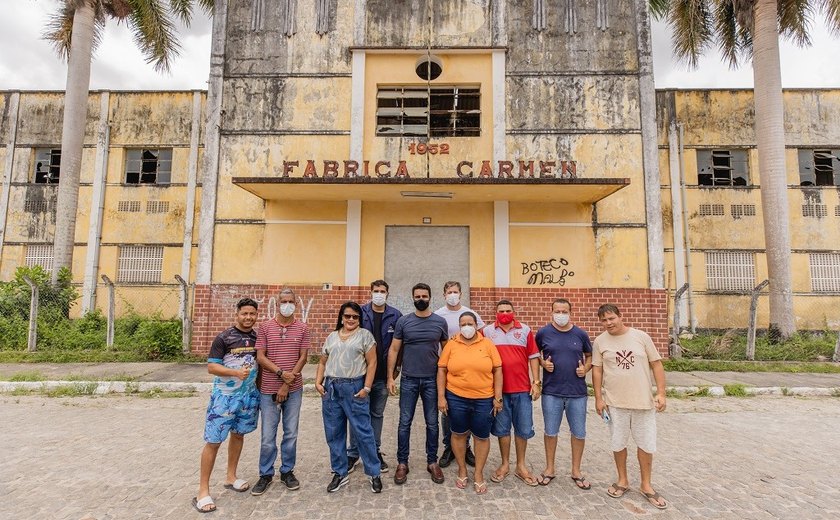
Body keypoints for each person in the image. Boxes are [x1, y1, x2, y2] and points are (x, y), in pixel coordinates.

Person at [592, 303, 668, 510]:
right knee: (618, 443)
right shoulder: (600, 341)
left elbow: (656, 364)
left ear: (620, 316)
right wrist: (599, 398)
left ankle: (646, 484)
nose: (608, 323)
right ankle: (622, 480)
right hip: (615, 403)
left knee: (645, 443)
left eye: (611, 318)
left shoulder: (641, 337)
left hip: (643, 402)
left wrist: (661, 393)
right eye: (604, 321)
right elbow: (597, 371)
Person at [193, 298, 261, 514]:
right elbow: (211, 367)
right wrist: (234, 373)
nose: (248, 317)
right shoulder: (224, 337)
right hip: (224, 398)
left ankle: (231, 476)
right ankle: (202, 491)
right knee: (213, 441)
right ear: (237, 314)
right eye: (245, 313)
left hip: (248, 397)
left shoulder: (257, 337)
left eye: (252, 314)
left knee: (239, 435)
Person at [315, 302, 383, 493]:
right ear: (341, 317)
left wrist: (367, 388)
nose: (351, 319)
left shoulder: (365, 336)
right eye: (347, 316)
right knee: (334, 433)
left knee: (363, 431)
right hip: (331, 388)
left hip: (355, 388)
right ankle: (340, 472)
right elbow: (322, 361)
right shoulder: (331, 337)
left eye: (355, 316)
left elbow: (372, 363)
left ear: (359, 319)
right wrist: (318, 382)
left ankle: (374, 472)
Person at [386, 283, 450, 485]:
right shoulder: (404, 322)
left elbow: (447, 352)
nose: (421, 299)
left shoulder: (440, 322)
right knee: (405, 422)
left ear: (430, 298)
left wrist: (447, 379)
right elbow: (394, 350)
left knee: (432, 422)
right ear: (412, 298)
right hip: (408, 379)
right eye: (417, 296)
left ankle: (432, 461)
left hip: (432, 379)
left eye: (424, 296)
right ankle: (402, 463)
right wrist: (390, 377)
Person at [251, 288, 310, 496]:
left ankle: (287, 471)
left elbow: (303, 357)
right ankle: (265, 474)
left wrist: (287, 381)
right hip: (268, 389)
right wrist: (280, 373)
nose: (287, 305)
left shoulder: (302, 328)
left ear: (296, 304)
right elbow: (260, 356)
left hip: (293, 389)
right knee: (268, 435)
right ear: (277, 304)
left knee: (291, 433)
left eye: (291, 301)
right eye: (283, 301)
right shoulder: (265, 327)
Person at [437, 312, 503, 495]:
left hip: (483, 399)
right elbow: (442, 370)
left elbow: (498, 370)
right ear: (459, 326)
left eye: (470, 323)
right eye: (463, 323)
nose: (467, 327)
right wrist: (441, 397)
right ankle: (462, 469)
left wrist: (498, 398)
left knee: (481, 436)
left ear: (476, 325)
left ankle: (479, 473)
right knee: (458, 434)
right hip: (456, 397)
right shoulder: (452, 344)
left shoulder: (487, 344)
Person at [534, 298, 593, 489]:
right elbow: (535, 356)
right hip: (552, 391)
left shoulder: (580, 334)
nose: (561, 315)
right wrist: (543, 364)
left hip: (577, 392)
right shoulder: (543, 333)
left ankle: (576, 470)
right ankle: (549, 468)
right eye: (557, 311)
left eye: (564, 311)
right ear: (551, 312)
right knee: (551, 431)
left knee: (578, 432)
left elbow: (589, 356)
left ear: (570, 312)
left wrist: (586, 368)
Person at [484, 299, 542, 486]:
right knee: (502, 430)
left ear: (514, 312)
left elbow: (533, 357)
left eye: (508, 310)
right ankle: (504, 464)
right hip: (498, 391)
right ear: (496, 312)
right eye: (501, 310)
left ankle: (521, 466)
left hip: (522, 389)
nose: (505, 313)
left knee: (523, 429)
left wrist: (536, 382)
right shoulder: (487, 331)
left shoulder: (524, 330)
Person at [346, 280, 402, 474]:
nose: (379, 294)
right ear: (371, 292)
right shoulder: (360, 312)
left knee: (376, 415)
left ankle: (374, 450)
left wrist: (394, 372)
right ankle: (353, 453)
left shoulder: (396, 315)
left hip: (383, 376)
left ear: (388, 293)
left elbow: (399, 347)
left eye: (383, 291)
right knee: (357, 415)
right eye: (376, 291)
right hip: (359, 375)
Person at [434, 281, 484, 468]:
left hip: (469, 369)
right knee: (447, 409)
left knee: (468, 405)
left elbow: (481, 338)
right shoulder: (439, 315)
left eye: (455, 292)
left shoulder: (471, 314)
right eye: (449, 292)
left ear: (461, 294)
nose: (452, 295)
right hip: (446, 368)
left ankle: (466, 446)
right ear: (444, 294)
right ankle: (449, 446)